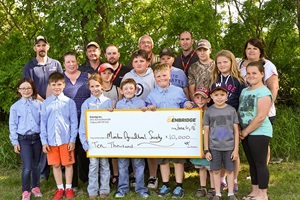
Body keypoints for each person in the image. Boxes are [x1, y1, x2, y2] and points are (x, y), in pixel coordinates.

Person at [145, 63, 194, 198]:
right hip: (160, 132)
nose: (162, 78)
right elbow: (147, 106)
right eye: (158, 76)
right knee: (163, 160)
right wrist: (150, 107)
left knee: (178, 160)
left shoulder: (178, 90)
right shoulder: (152, 94)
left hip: (176, 132)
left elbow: (183, 102)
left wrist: (187, 104)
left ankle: (179, 186)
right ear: (155, 78)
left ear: (169, 76)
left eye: (164, 75)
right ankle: (165, 184)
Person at [22, 35, 63, 181]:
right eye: (38, 45)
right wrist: (43, 101)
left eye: (43, 45)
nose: (41, 48)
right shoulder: (29, 66)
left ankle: (60, 166)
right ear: (34, 48)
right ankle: (43, 172)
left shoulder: (56, 64)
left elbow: (60, 83)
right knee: (42, 137)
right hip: (37, 106)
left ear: (48, 47)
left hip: (55, 107)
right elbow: (28, 87)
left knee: (55, 134)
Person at [210, 50, 247, 192]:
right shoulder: (214, 80)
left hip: (233, 120)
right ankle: (222, 179)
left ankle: (235, 180)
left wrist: (237, 120)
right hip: (217, 121)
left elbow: (243, 102)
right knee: (220, 148)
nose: (222, 65)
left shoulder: (239, 81)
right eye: (219, 62)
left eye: (225, 62)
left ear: (232, 62)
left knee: (232, 151)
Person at [238, 38, 279, 164]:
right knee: (249, 142)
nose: (251, 51)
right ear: (245, 50)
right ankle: (254, 170)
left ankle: (262, 168)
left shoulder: (268, 65)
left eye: (255, 48)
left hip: (263, 111)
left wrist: (265, 110)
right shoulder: (239, 65)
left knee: (261, 142)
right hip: (246, 111)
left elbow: (274, 88)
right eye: (249, 48)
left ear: (260, 51)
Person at [122, 49, 158, 189]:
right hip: (132, 116)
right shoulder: (127, 76)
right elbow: (122, 95)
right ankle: (136, 175)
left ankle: (152, 176)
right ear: (132, 63)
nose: (138, 63)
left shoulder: (153, 76)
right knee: (133, 145)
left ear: (148, 62)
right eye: (136, 61)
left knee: (150, 146)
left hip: (149, 115)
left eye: (142, 61)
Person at [40, 72, 78, 200]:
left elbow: (74, 122)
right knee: (55, 165)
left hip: (66, 140)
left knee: (68, 164)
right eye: (54, 84)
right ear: (50, 86)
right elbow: (43, 124)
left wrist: (72, 140)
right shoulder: (45, 103)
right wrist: (44, 141)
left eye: (59, 84)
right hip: (51, 140)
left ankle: (68, 187)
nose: (56, 87)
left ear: (64, 85)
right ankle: (60, 188)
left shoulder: (69, 102)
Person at [238, 60, 273, 200]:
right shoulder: (245, 91)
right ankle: (254, 191)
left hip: (259, 132)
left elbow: (260, 116)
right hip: (246, 132)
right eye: (248, 73)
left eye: (254, 73)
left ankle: (263, 194)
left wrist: (246, 132)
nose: (251, 76)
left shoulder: (264, 91)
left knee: (260, 163)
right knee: (252, 163)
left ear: (262, 74)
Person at [79, 74, 113, 199]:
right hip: (91, 141)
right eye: (92, 86)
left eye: (97, 86)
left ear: (102, 86)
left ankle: (104, 189)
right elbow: (82, 124)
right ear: (89, 88)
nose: (95, 89)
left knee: (105, 164)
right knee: (93, 165)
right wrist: (84, 142)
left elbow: (112, 122)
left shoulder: (108, 102)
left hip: (104, 141)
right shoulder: (86, 103)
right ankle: (92, 190)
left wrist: (112, 113)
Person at [114, 78, 149, 199]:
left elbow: (146, 120)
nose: (128, 91)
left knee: (139, 164)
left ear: (136, 90)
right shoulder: (119, 104)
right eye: (126, 89)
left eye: (131, 88)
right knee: (123, 164)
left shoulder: (141, 103)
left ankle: (141, 188)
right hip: (122, 139)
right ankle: (122, 188)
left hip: (137, 139)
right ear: (121, 91)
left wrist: (146, 111)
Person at [204, 82, 239, 200]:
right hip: (214, 147)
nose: (219, 97)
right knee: (216, 170)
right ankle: (217, 193)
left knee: (230, 170)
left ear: (227, 96)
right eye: (216, 95)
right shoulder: (209, 111)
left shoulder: (231, 110)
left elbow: (236, 130)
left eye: (222, 94)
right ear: (211, 97)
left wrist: (236, 149)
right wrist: (206, 150)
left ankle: (230, 193)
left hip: (229, 146)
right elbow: (206, 131)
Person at [9, 78, 43, 200]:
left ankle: (36, 187)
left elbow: (43, 123)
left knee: (36, 165)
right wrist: (14, 142)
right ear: (19, 90)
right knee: (27, 166)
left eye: (28, 88)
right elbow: (13, 125)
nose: (26, 90)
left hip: (37, 139)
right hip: (24, 140)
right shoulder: (15, 107)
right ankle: (26, 190)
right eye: (23, 88)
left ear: (32, 89)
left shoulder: (39, 104)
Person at [62, 52, 91, 189]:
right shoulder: (59, 79)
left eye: (73, 61)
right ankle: (72, 184)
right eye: (68, 62)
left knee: (84, 151)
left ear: (77, 62)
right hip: (67, 123)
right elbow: (51, 100)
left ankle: (85, 179)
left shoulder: (87, 77)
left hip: (85, 120)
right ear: (64, 64)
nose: (71, 64)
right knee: (70, 152)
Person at [98, 62, 122, 186]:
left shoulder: (117, 89)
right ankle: (103, 175)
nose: (107, 75)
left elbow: (122, 106)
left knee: (114, 152)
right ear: (99, 74)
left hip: (114, 124)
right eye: (104, 73)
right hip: (99, 124)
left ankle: (116, 175)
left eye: (109, 73)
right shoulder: (97, 89)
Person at [189, 86, 215, 198]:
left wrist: (208, 148)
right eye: (197, 97)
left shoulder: (212, 113)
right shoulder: (192, 112)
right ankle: (203, 187)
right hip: (198, 144)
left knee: (212, 168)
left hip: (209, 144)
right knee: (201, 167)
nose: (200, 100)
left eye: (203, 98)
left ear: (208, 100)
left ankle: (213, 188)